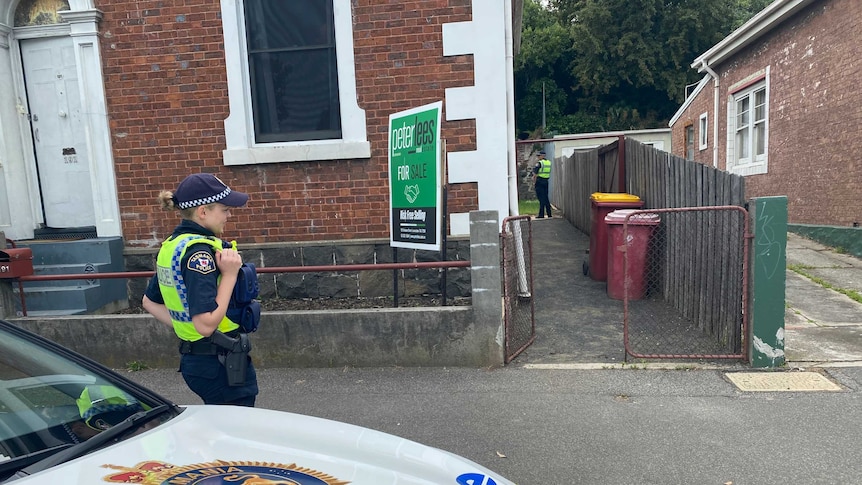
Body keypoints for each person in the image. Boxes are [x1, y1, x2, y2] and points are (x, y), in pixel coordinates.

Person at [142, 173, 259, 407]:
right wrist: (229, 274)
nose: (229, 215)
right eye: (224, 210)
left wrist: (187, 330)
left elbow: (149, 302)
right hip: (218, 364)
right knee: (234, 435)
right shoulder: (200, 255)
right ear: (203, 211)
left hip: (199, 360)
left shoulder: (174, 246)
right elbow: (206, 325)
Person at [69, 385, 144, 441]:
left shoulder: (95, 420)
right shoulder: (86, 402)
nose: (99, 435)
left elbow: (135, 427)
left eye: (91, 437)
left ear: (79, 429)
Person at [532, 150, 552, 218]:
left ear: (542, 156)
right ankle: (549, 214)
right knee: (546, 198)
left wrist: (534, 182)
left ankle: (541, 214)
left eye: (539, 156)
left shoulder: (540, 163)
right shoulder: (548, 162)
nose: (538, 157)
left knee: (541, 198)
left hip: (539, 181)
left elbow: (535, 173)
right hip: (546, 181)